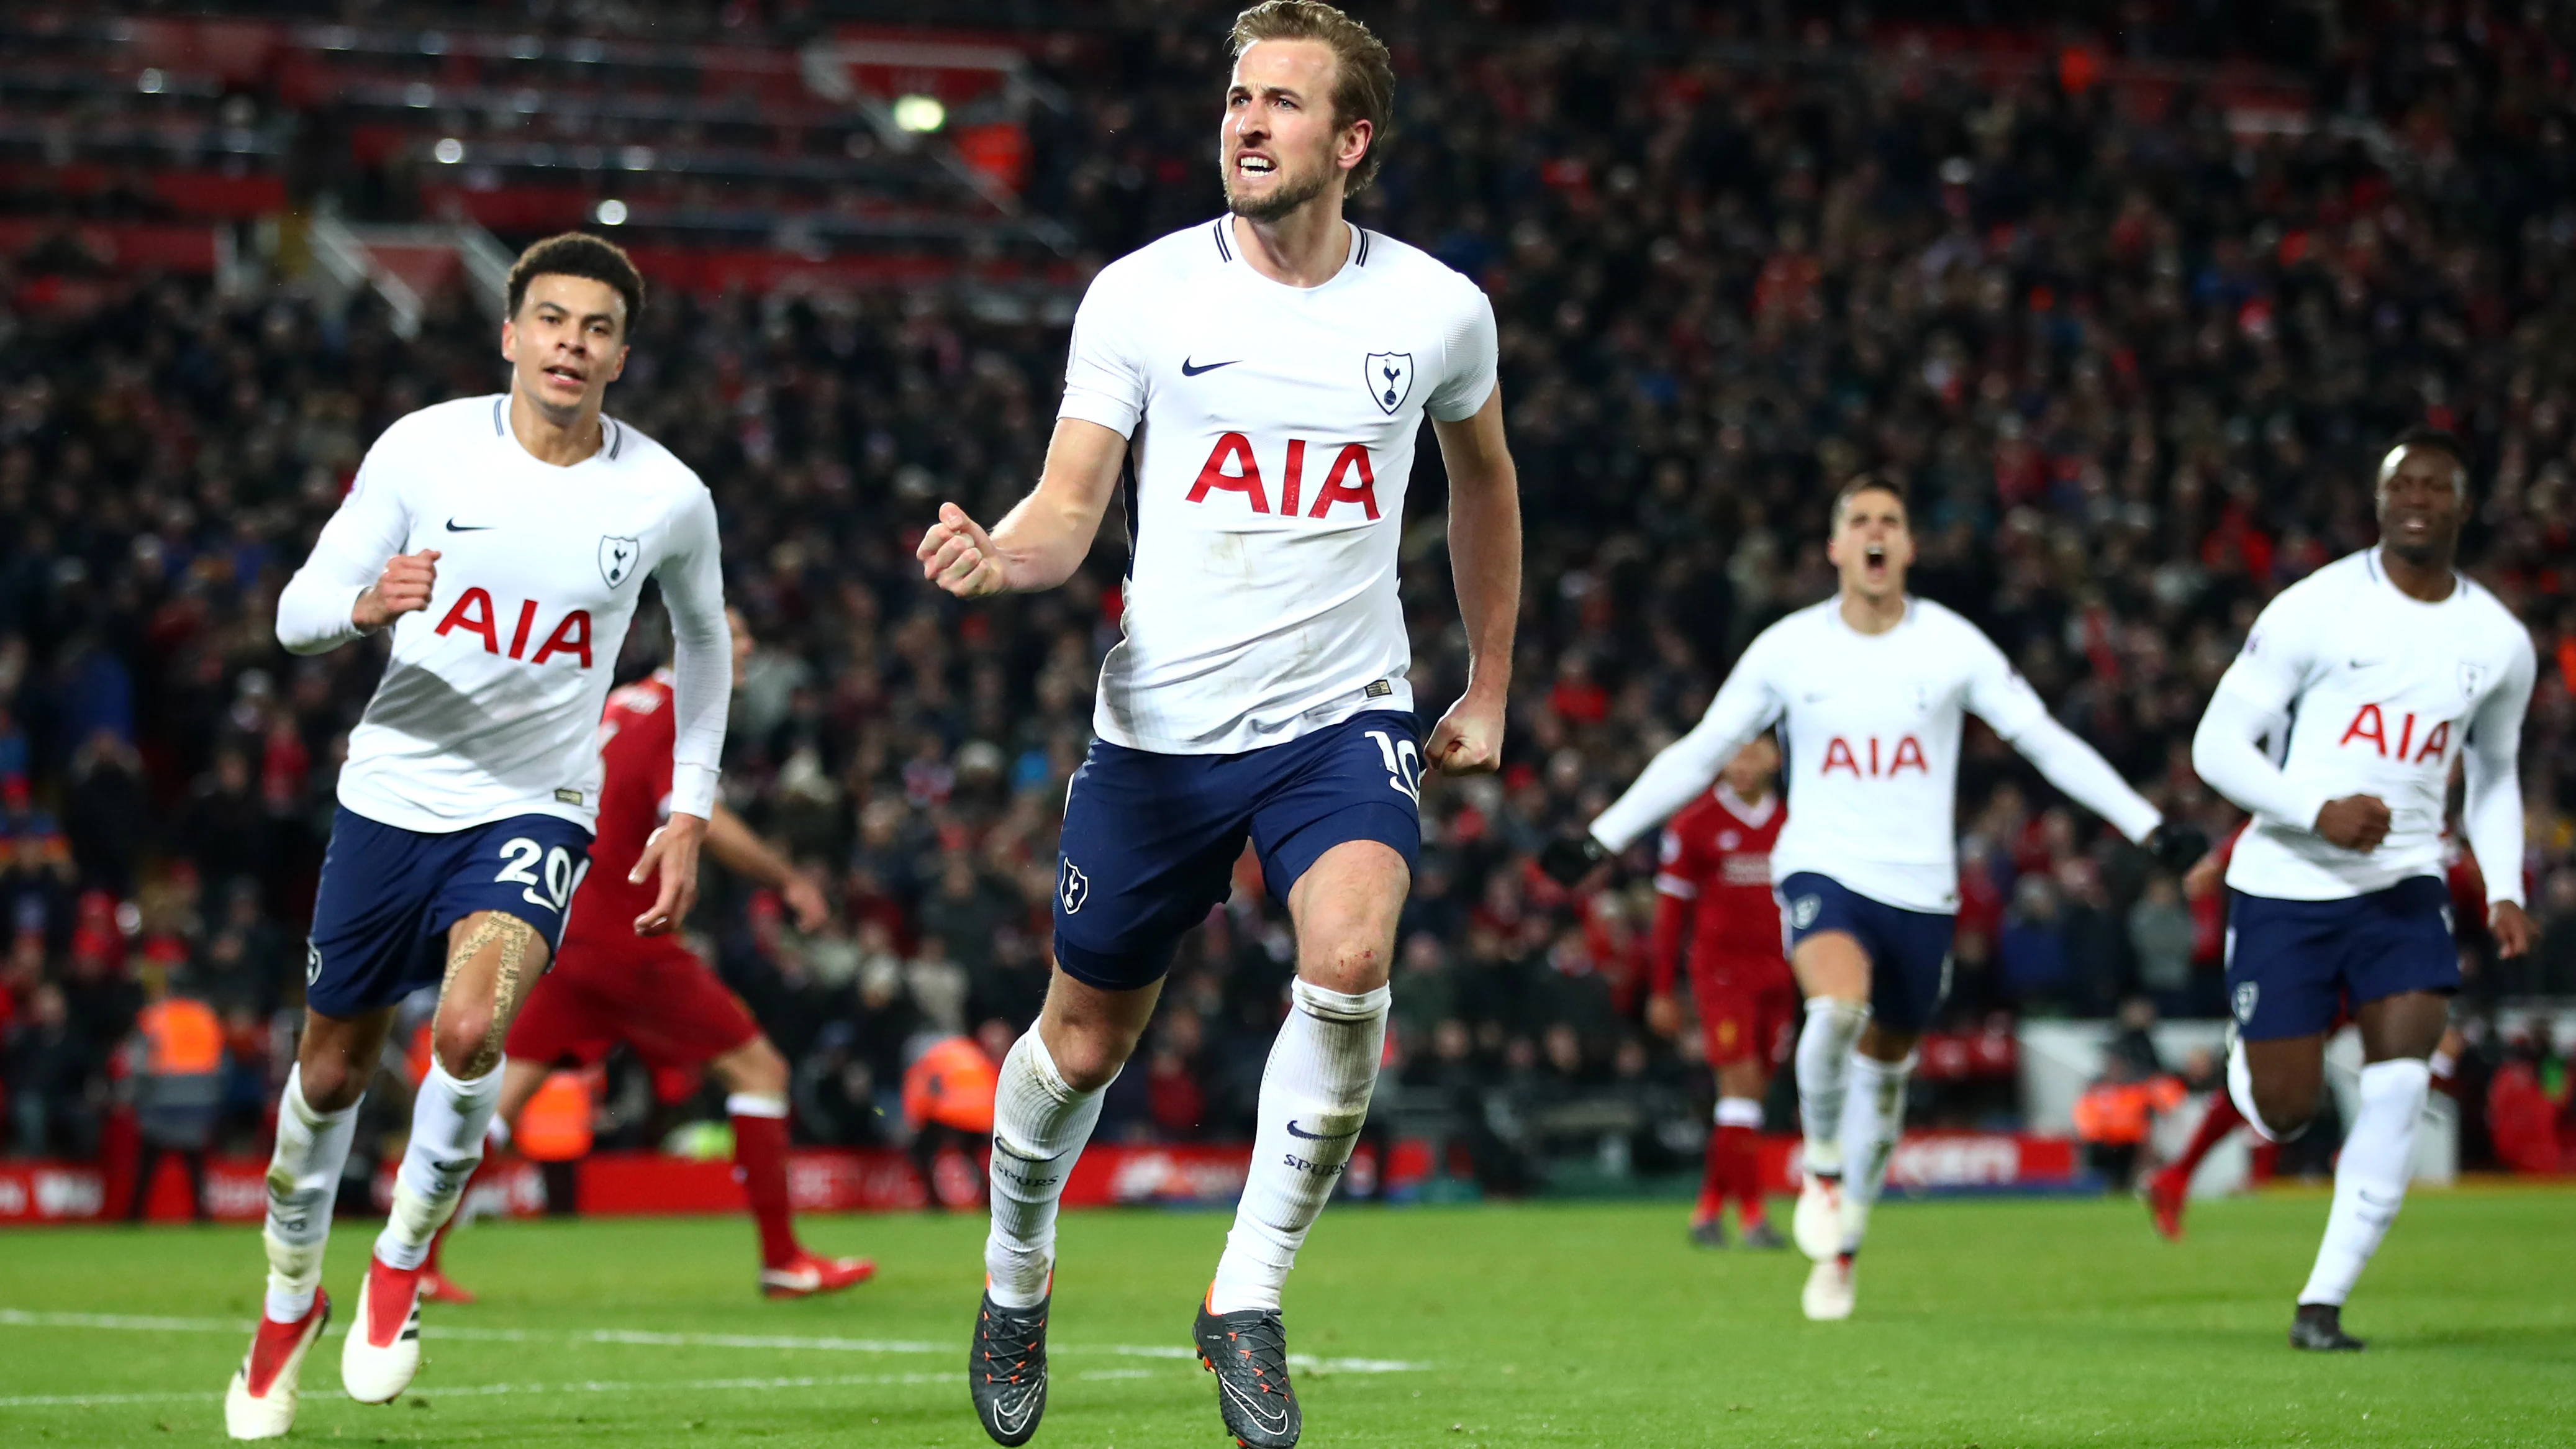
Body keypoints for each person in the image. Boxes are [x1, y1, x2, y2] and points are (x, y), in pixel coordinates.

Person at [914, 5, 1518, 1442]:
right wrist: (1003, 555)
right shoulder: (1140, 296)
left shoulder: (1434, 309)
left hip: (1340, 719)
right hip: (1162, 734)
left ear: (1349, 141)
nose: (1245, 121)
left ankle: (1241, 1297)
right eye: (1237, 97)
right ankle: (1014, 1275)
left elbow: (1483, 482)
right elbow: (1070, 504)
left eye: (1282, 102)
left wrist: (1485, 681)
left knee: (1354, 954)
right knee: (1080, 1040)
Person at [224, 232, 731, 1440]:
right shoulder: (423, 448)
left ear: (621, 352)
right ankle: (289, 1299)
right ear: (510, 334)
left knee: (466, 1025)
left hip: (537, 801)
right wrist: (363, 605)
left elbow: (706, 644)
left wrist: (688, 807)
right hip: (391, 795)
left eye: (596, 327)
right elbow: (297, 604)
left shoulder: (664, 494)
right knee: (332, 1069)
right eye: (550, 320)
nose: (571, 342)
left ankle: (399, 1265)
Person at [1544, 475, 2199, 1321]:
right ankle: (1819, 1167)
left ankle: (1845, 1241)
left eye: (1891, 520)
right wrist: (1600, 837)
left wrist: (2148, 826)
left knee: (1884, 1082)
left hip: (1922, 894)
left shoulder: (1954, 647)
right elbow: (1703, 749)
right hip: (1823, 870)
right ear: (1835, 547)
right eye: (1859, 521)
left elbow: (2045, 741)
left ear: (1909, 546)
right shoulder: (1788, 649)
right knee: (1836, 1010)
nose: (1876, 533)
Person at [2187, 428, 2534, 1352]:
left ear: (2464, 507)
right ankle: (2253, 1055)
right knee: (2287, 1107)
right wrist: (2313, 807)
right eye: (2400, 484)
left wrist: (2504, 886)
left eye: (2436, 485)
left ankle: (2321, 1303)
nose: (2417, 497)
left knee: (2400, 1078)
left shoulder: (2498, 642)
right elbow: (2216, 746)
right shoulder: (2316, 608)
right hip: (2287, 883)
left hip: (2404, 884)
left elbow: (2495, 773)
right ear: (2379, 503)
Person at [453, 607, 869, 1301]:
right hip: (629, 933)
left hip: (567, 925)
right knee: (760, 1070)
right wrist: (787, 878)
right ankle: (783, 1257)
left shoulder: (622, 701)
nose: (748, 647)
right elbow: (698, 820)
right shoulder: (680, 715)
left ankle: (413, 1256)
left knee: (501, 1100)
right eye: (735, 636)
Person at [1643, 735, 1792, 1250]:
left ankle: (1708, 1209)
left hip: (1781, 976)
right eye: (1734, 752)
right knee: (1741, 1085)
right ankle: (1753, 1216)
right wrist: (1662, 989)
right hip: (1723, 977)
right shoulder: (1695, 824)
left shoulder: (1795, 823)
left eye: (1754, 752)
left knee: (1749, 1096)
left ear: (1775, 758)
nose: (1742, 764)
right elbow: (1669, 915)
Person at [122, 968, 225, 1222]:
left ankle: (135, 1216)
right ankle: (203, 1215)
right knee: (196, 1167)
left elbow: (139, 1064)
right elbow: (222, 1065)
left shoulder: (155, 1016)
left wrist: (134, 1097)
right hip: (199, 1104)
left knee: (147, 1165)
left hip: (161, 1102)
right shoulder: (206, 1017)